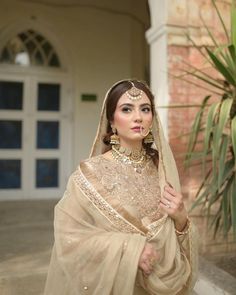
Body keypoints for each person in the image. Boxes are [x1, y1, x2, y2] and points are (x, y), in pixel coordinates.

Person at [44, 79, 198, 295]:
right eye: (127, 109)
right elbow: (70, 239)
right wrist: (131, 249)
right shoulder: (90, 174)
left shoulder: (161, 169)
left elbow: (175, 237)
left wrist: (181, 218)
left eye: (145, 109)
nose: (138, 117)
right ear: (112, 121)